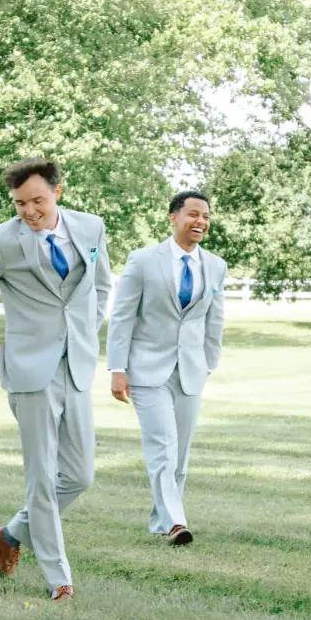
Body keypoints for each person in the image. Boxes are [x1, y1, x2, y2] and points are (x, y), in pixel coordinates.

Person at [0, 157, 110, 600]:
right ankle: (60, 579)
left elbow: (101, 287)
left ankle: (10, 534)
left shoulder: (92, 229)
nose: (29, 211)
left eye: (37, 200)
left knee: (79, 476)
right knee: (41, 477)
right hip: (28, 372)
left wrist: (84, 333)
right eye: (20, 204)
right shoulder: (1, 241)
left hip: (75, 366)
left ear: (58, 191)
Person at [105, 189, 225, 545]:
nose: (200, 221)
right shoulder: (143, 260)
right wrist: (117, 368)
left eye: (205, 215)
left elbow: (214, 319)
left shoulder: (216, 266)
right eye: (192, 214)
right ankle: (176, 522)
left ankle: (162, 521)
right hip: (145, 370)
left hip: (190, 371)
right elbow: (122, 316)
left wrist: (209, 363)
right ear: (173, 217)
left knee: (181, 453)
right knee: (163, 445)